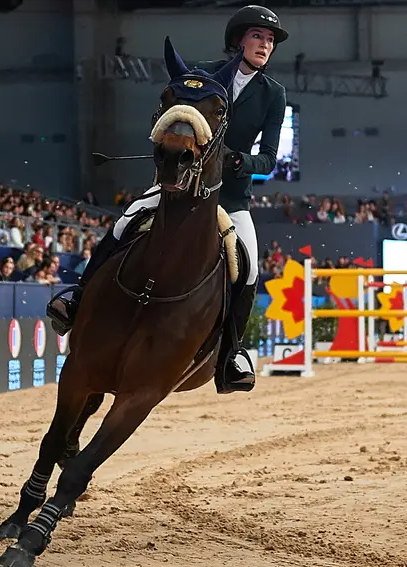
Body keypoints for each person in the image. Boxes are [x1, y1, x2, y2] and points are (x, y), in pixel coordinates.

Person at [46, 5, 288, 394]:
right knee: (124, 223)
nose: (265, 45)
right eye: (258, 36)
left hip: (230, 198)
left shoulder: (273, 94)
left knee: (250, 270)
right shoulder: (203, 75)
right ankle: (77, 298)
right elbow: (172, 118)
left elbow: (269, 157)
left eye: (270, 40)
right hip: (179, 185)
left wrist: (238, 160)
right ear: (239, 40)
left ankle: (231, 354)